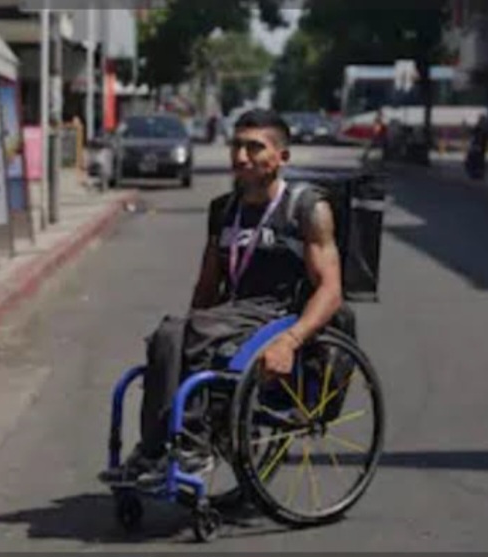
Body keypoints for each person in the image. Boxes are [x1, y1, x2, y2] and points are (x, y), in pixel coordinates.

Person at [99, 109, 344, 486]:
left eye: (254, 147)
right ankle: (154, 448)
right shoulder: (224, 210)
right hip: (231, 314)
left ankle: (192, 449)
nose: (241, 156)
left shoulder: (307, 209)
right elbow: (207, 285)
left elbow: (331, 289)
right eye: (236, 146)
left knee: (191, 334)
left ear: (282, 157)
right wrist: (188, 331)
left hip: (277, 313)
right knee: (169, 336)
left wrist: (291, 341)